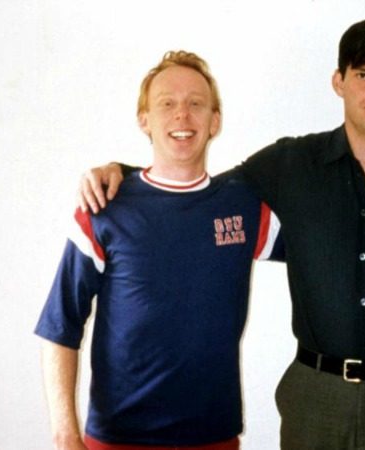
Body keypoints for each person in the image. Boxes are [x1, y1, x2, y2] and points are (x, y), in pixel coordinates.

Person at [80, 18, 365, 449]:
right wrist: (125, 176)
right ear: (339, 82)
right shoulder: (291, 164)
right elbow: (201, 193)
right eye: (363, 75)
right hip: (316, 401)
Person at [35, 51, 284, 450]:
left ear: (215, 121)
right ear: (144, 120)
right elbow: (60, 324)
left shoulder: (243, 205)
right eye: (167, 104)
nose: (182, 115)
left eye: (196, 104)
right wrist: (65, 436)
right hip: (119, 438)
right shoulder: (104, 206)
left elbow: (325, 246)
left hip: (213, 437)